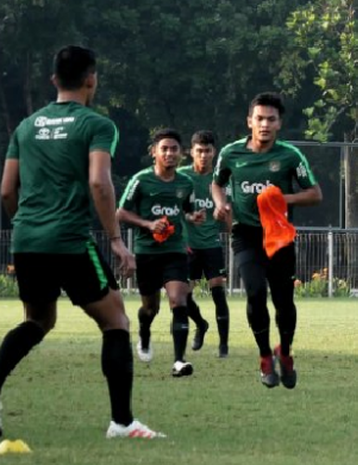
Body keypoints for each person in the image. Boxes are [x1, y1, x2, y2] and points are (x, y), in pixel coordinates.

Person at [0, 45, 163, 438]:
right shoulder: (96, 125)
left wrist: (27, 226)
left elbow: (7, 191)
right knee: (116, 320)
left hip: (26, 238)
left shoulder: (26, 127)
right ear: (92, 78)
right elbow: (98, 182)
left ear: (54, 79)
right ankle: (122, 423)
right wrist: (116, 240)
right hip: (69, 239)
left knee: (38, 320)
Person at [212, 92, 322, 389]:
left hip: (279, 236)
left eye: (270, 119)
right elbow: (217, 183)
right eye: (259, 118)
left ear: (279, 124)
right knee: (255, 292)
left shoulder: (290, 156)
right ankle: (264, 357)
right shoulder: (231, 153)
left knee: (284, 301)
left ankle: (284, 353)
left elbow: (315, 193)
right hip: (246, 234)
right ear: (249, 121)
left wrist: (279, 198)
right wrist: (220, 203)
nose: (264, 124)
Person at [117, 128, 205, 377]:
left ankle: (179, 361)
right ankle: (144, 332)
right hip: (146, 252)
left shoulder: (186, 183)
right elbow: (120, 213)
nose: (169, 153)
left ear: (181, 154)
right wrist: (147, 224)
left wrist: (193, 216)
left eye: (174, 149)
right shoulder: (141, 180)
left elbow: (186, 210)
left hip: (175, 250)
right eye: (164, 148)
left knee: (179, 300)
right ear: (154, 152)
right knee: (150, 308)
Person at [178, 130, 232, 358]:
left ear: (214, 152)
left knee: (218, 290)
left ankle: (223, 346)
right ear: (191, 152)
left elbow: (229, 213)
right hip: (188, 246)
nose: (203, 155)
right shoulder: (180, 176)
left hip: (211, 244)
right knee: (183, 296)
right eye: (199, 151)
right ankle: (200, 324)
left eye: (207, 151)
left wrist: (229, 222)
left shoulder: (221, 181)